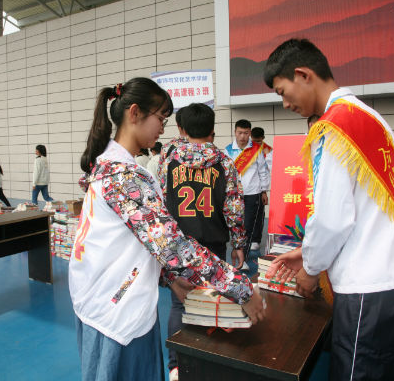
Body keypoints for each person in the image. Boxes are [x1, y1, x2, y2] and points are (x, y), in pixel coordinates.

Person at [69, 78, 265, 381]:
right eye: (160, 118)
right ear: (135, 113)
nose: (163, 128)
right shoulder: (124, 177)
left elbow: (139, 239)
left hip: (107, 295)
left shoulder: (115, 165)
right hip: (117, 306)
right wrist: (242, 289)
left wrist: (170, 278)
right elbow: (172, 245)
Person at [264, 39, 394, 380]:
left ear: (303, 74)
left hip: (366, 284)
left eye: (282, 92)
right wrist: (306, 253)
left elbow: (332, 219)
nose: (285, 104)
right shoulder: (370, 117)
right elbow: (366, 209)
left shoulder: (333, 127)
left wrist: (311, 268)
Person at [159, 103, 248, 380]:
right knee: (213, 300)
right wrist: (239, 243)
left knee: (178, 304)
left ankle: (175, 366)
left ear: (182, 129)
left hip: (179, 246)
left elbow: (161, 201)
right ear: (212, 129)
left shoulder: (169, 159)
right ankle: (210, 360)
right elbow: (234, 207)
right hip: (213, 245)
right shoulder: (224, 162)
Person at [224, 119, 270, 278]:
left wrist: (264, 191)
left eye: (245, 133)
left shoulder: (257, 149)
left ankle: (244, 257)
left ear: (250, 133)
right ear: (235, 132)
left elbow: (263, 171)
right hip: (234, 194)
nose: (242, 136)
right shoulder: (228, 150)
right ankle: (238, 252)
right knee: (236, 225)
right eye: (240, 133)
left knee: (249, 226)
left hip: (253, 192)